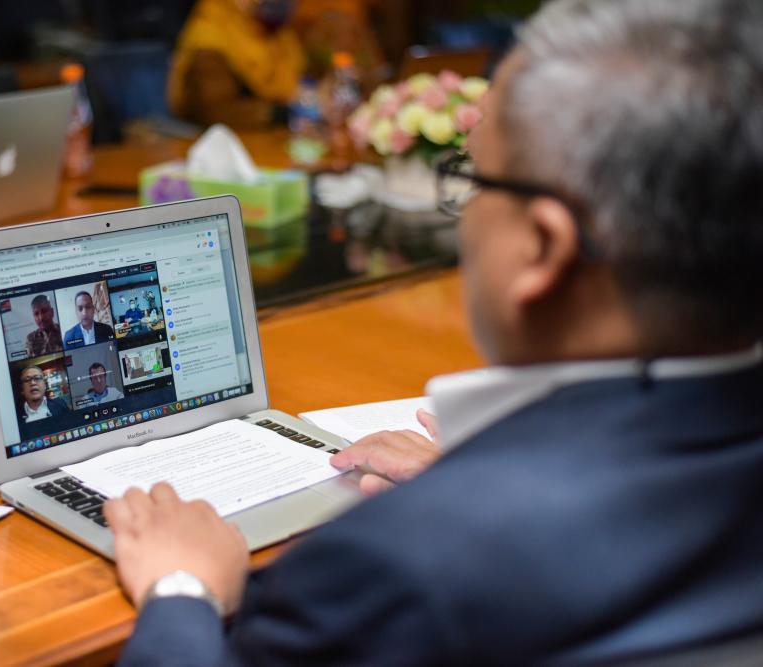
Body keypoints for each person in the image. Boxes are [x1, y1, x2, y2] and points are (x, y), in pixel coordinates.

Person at [105, 0, 763, 663]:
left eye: (471, 177)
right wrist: (476, 484)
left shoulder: (397, 564)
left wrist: (181, 586)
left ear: (542, 247)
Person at [167, 0, 306, 129]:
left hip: (265, 136)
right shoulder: (210, 39)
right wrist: (279, 113)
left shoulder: (273, 33)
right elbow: (216, 112)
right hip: (214, 139)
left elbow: (296, 83)